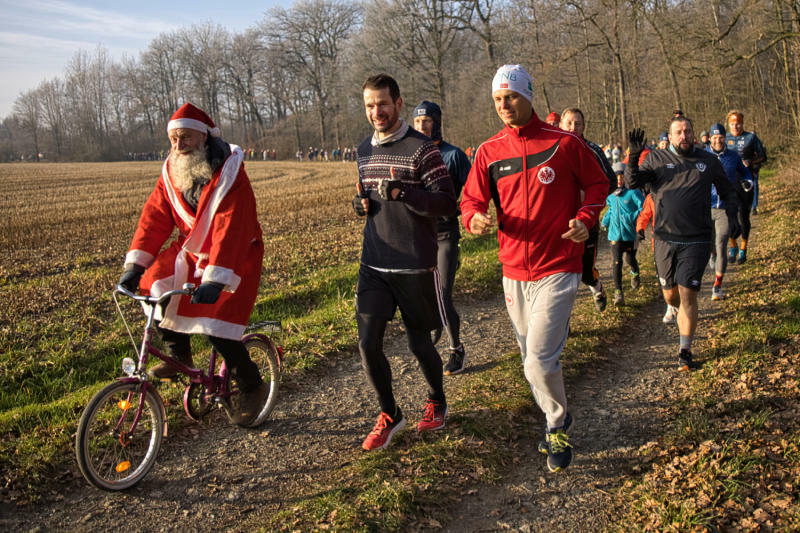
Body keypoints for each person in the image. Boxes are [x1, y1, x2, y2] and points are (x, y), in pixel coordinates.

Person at [461, 65, 608, 472]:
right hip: (513, 272)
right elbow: (471, 200)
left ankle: (557, 424)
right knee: (530, 357)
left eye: (510, 97)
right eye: (497, 99)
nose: (504, 105)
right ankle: (554, 417)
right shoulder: (489, 151)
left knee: (538, 361)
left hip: (559, 266)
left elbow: (598, 186)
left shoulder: (564, 143)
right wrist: (473, 218)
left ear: (528, 96)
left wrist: (585, 217)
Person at [118, 103, 267, 426]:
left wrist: (215, 279)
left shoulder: (229, 172)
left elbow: (232, 226)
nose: (178, 145)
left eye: (184, 138)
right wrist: (136, 265)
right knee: (156, 283)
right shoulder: (171, 171)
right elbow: (154, 219)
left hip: (235, 252)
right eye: (173, 139)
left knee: (215, 319)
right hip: (193, 250)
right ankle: (178, 355)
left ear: (203, 137)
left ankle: (251, 384)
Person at [352, 74, 457, 451]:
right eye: (369, 105)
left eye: (382, 103)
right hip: (375, 264)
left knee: (418, 344)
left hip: (414, 264)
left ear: (398, 103)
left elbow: (447, 202)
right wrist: (359, 204)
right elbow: (362, 195)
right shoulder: (363, 150)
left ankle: (436, 400)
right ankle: (390, 414)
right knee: (367, 344)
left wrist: (405, 192)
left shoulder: (421, 148)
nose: (376, 111)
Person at [624, 117, 740, 371]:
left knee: (688, 293)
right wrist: (633, 156)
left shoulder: (708, 161)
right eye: (679, 132)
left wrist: (733, 216)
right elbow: (632, 182)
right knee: (671, 294)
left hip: (697, 238)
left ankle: (684, 350)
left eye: (688, 131)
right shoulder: (656, 159)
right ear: (672, 136)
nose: (684, 136)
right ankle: (676, 310)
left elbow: (727, 190)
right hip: (665, 237)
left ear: (694, 135)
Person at [412, 100, 472, 375]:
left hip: (446, 235)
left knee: (443, 294)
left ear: (437, 122)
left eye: (426, 121)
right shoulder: (410, 154)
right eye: (416, 122)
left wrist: (462, 209)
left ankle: (456, 349)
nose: (421, 126)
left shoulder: (454, 155)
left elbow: (474, 192)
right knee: (425, 295)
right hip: (419, 237)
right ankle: (435, 321)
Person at [559, 107, 616, 312]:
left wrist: (589, 201)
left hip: (586, 220)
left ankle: (597, 287)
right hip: (560, 220)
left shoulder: (592, 149)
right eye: (569, 123)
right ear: (561, 125)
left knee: (584, 271)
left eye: (578, 124)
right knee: (561, 273)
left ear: (584, 127)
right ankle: (562, 322)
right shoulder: (552, 149)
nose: (573, 128)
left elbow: (611, 182)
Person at [706, 122, 753, 300]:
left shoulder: (733, 156)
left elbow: (745, 172)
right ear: (710, 138)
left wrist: (749, 181)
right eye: (715, 137)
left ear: (725, 138)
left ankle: (717, 286)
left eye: (721, 137)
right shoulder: (702, 155)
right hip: (705, 206)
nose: (718, 141)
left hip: (725, 207)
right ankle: (712, 253)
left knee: (722, 242)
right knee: (710, 244)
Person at [726, 110, 766, 261]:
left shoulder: (751, 137)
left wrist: (750, 162)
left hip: (745, 183)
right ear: (728, 125)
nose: (735, 126)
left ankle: (743, 248)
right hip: (728, 183)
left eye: (738, 123)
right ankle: (732, 246)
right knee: (729, 216)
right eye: (732, 124)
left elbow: (763, 156)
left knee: (743, 215)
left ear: (742, 123)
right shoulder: (724, 138)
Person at [601, 162, 644, 306]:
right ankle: (618, 292)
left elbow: (643, 208)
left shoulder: (633, 193)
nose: (619, 180)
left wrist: (631, 217)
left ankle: (635, 272)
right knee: (617, 262)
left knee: (630, 259)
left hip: (630, 234)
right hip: (615, 235)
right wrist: (605, 222)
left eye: (621, 176)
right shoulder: (611, 195)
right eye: (616, 177)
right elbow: (611, 210)